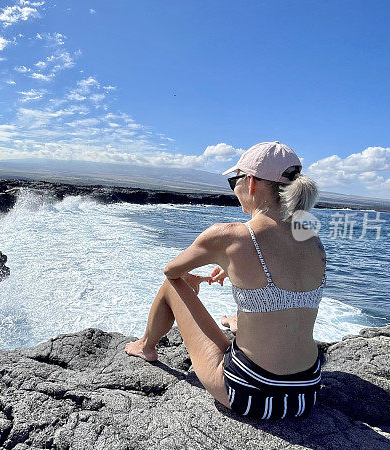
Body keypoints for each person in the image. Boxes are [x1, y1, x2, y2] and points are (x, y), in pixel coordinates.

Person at [124, 141, 326, 419]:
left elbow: (171, 271)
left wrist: (194, 277)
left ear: (251, 183)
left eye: (235, 180)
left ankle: (145, 346)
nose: (234, 189)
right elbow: (287, 291)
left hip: (251, 394)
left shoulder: (229, 235)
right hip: (305, 394)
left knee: (172, 286)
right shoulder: (311, 237)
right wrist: (233, 269)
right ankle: (239, 324)